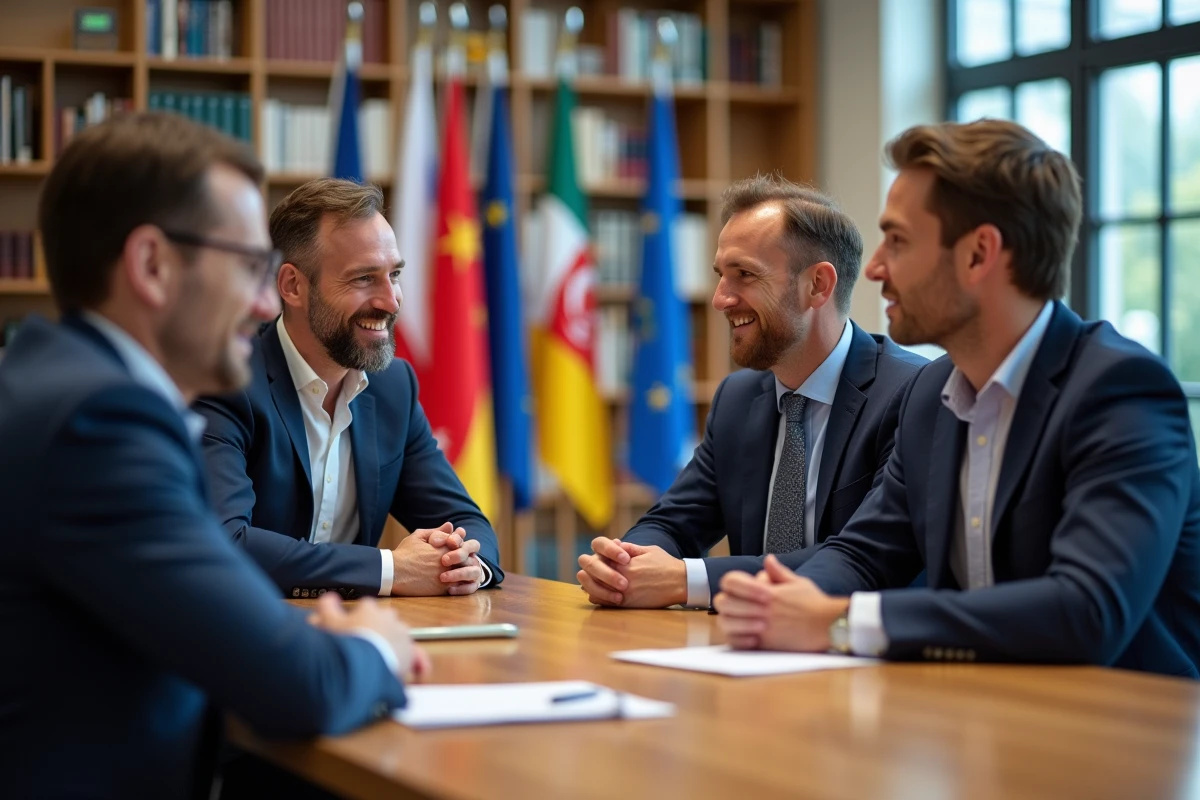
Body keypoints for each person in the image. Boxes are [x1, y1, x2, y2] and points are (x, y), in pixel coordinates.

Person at [0, 113, 427, 799]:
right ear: (152, 265)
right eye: (250, 266)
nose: (265, 301)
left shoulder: (55, 385)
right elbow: (297, 685)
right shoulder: (100, 428)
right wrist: (380, 644)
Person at [715, 119, 1200, 677]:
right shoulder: (930, 394)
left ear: (978, 255)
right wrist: (779, 601)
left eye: (897, 241)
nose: (873, 269)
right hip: (980, 727)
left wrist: (838, 622)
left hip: (1124, 739)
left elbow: (1086, 610)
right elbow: (864, 553)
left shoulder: (1121, 392)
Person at [577, 177, 926, 609]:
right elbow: (673, 523)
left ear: (818, 285)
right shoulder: (739, 398)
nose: (721, 299)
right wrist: (624, 565)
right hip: (748, 651)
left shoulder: (912, 393)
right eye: (720, 276)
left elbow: (861, 558)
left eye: (744, 275)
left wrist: (688, 579)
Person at [193, 178, 502, 600]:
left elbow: (466, 520)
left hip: (357, 634)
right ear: (292, 286)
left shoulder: (394, 385)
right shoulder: (225, 378)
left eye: (394, 274)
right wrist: (391, 568)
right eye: (363, 279)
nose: (391, 301)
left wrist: (463, 564)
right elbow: (226, 543)